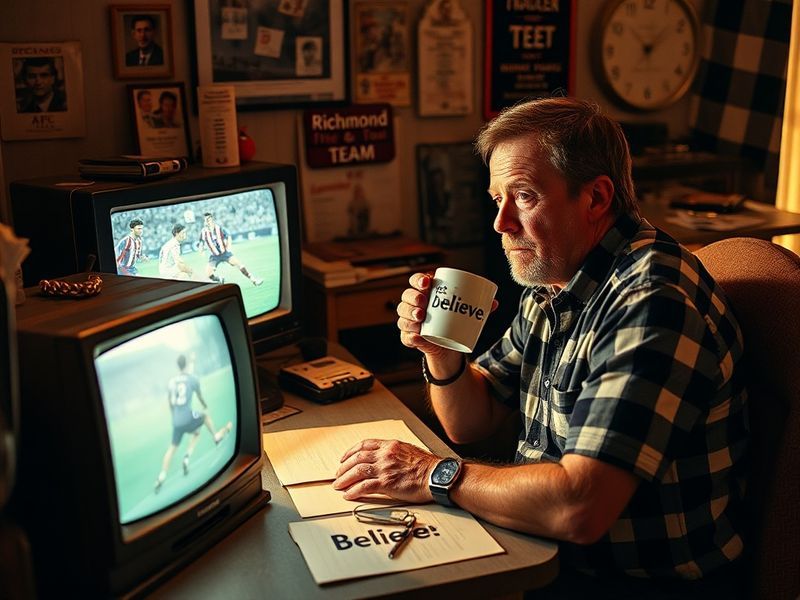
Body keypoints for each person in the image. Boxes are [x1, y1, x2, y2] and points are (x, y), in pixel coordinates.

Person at [332, 97, 749, 598]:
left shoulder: (651, 303)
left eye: (524, 196)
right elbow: (472, 420)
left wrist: (431, 474)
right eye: (496, 199)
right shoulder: (557, 278)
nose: (501, 223)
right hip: (547, 552)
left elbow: (579, 507)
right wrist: (441, 355)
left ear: (596, 199)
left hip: (630, 583)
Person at [154, 354, 232, 493]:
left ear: (178, 366)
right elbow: (200, 396)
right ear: (187, 365)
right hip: (188, 417)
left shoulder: (172, 381)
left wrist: (175, 418)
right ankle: (216, 437)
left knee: (175, 446)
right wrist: (205, 405)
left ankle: (162, 475)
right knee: (205, 417)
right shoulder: (193, 379)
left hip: (176, 421)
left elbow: (170, 403)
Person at [198, 212, 263, 286]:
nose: (207, 221)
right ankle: (219, 279)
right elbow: (201, 242)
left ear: (212, 219)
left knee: (239, 265)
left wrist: (228, 246)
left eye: (208, 219)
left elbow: (228, 236)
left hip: (225, 253)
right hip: (214, 256)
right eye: (205, 220)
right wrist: (201, 249)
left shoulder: (219, 228)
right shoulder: (203, 232)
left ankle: (254, 280)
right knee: (208, 275)